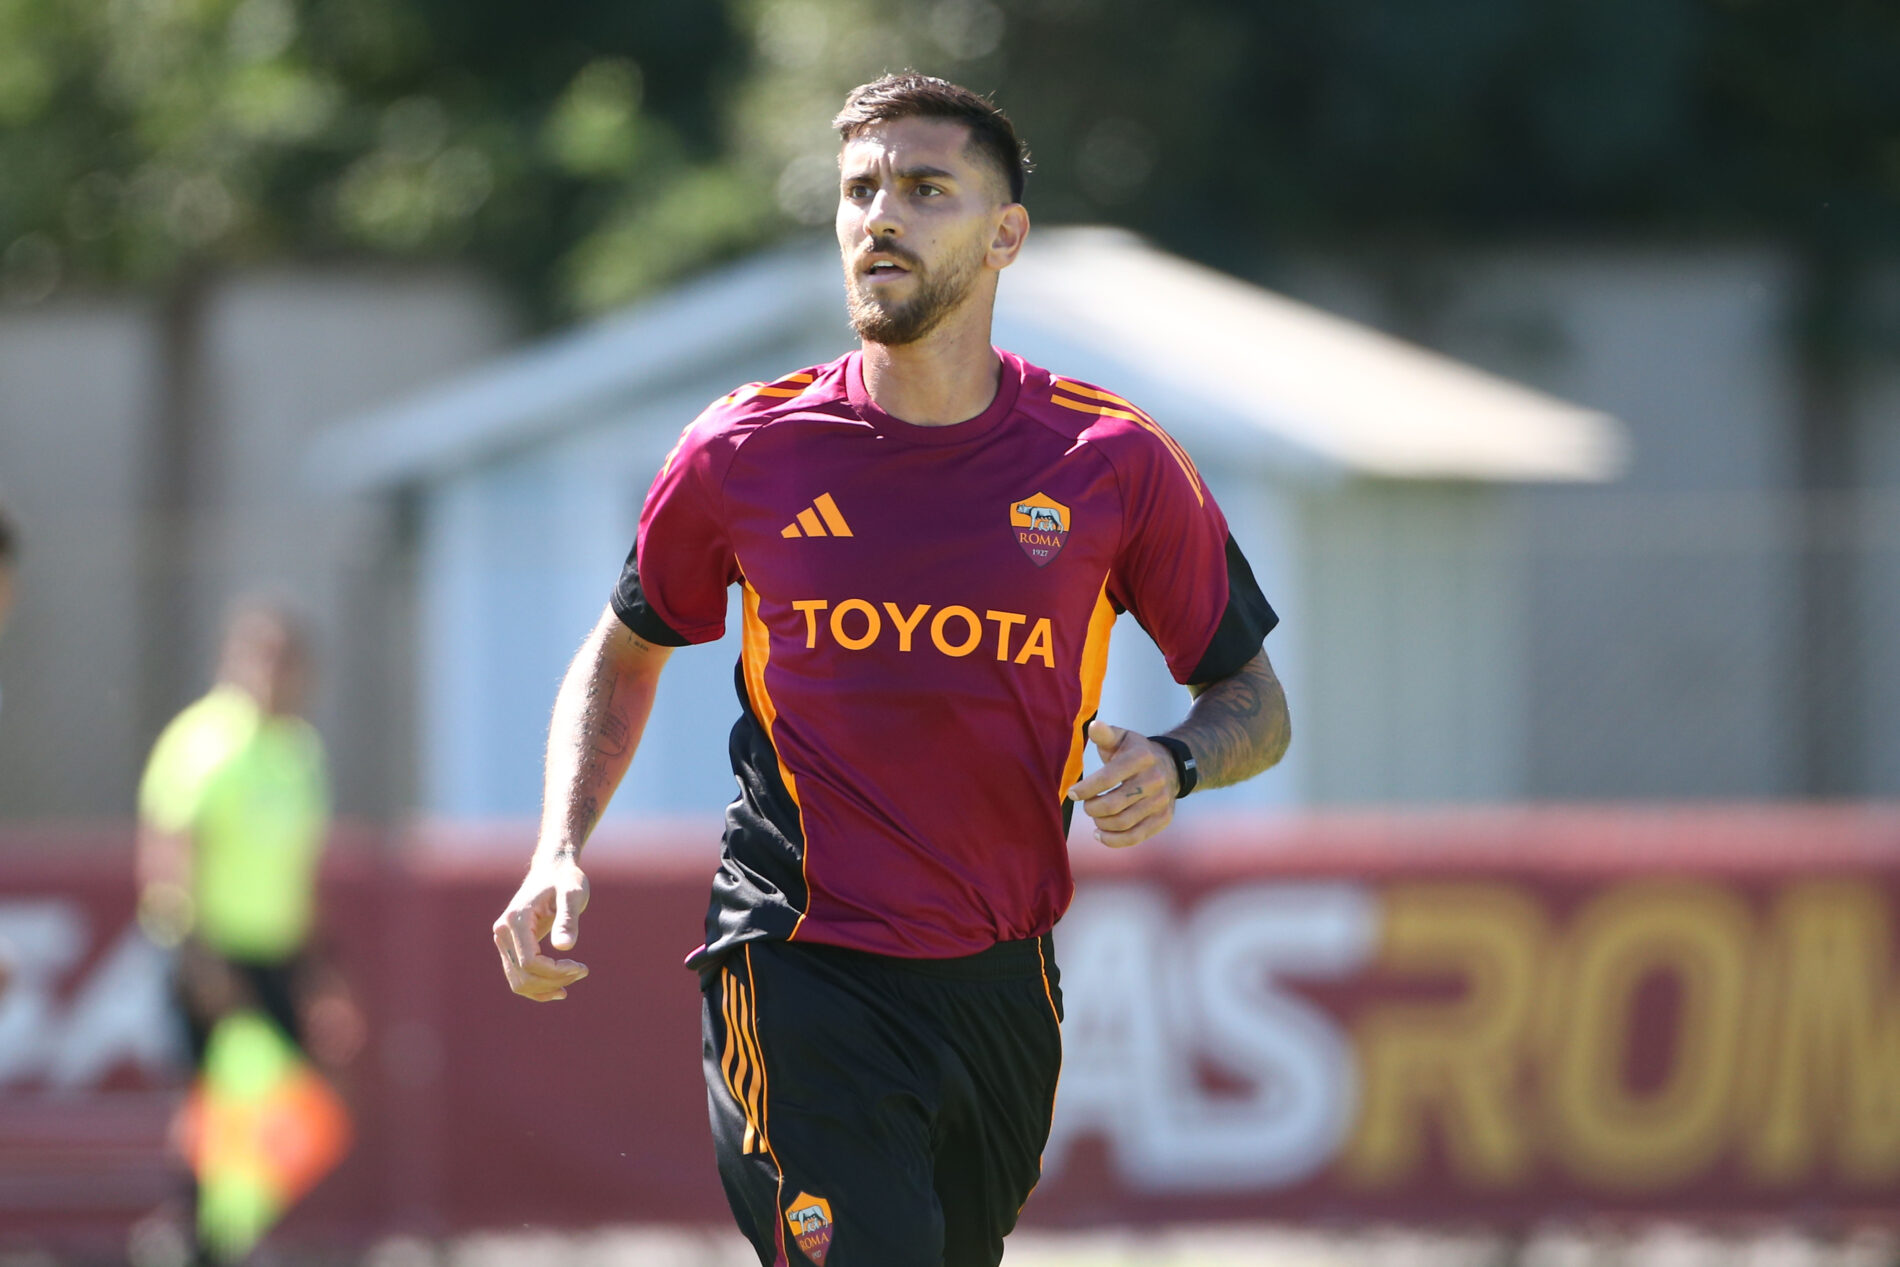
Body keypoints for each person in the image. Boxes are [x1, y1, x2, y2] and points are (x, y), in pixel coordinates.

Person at [493, 73, 1290, 1267]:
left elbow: (1255, 704)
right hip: (799, 958)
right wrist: (558, 842)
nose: (881, 217)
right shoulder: (741, 452)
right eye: (860, 191)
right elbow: (622, 656)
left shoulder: (1110, 462)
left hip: (1001, 985)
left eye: (925, 190)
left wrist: (1178, 763)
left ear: (1003, 233)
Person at [137, 600, 360, 1259]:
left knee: (288, 1112)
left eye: (287, 659)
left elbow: (303, 873)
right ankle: (190, 1239)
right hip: (208, 955)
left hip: (278, 957)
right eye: (261, 655)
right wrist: (198, 959)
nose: (274, 673)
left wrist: (321, 971)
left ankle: (226, 1239)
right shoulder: (199, 741)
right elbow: (167, 860)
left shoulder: (301, 752)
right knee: (217, 1112)